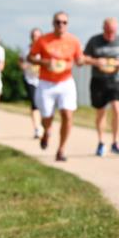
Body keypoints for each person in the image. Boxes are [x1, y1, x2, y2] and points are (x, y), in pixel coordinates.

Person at [28, 11, 84, 162]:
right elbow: (31, 57)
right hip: (46, 82)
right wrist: (45, 63)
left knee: (67, 114)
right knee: (47, 116)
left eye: (64, 22)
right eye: (58, 22)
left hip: (66, 81)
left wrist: (80, 61)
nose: (61, 25)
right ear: (53, 23)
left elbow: (79, 59)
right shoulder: (43, 40)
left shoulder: (74, 41)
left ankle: (61, 150)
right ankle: (46, 131)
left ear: (67, 24)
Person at [83, 17, 119, 156]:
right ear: (103, 29)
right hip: (99, 80)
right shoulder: (94, 41)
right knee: (101, 112)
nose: (111, 34)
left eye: (113, 31)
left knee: (117, 108)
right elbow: (83, 58)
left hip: (116, 80)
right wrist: (96, 61)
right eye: (109, 31)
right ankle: (101, 142)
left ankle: (115, 142)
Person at [20, 28, 44, 138]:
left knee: (43, 104)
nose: (36, 38)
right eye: (34, 36)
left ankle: (43, 124)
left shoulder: (45, 49)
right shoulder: (26, 49)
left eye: (38, 36)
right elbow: (21, 62)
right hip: (30, 79)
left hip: (43, 80)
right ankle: (37, 128)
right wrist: (24, 66)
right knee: (34, 103)